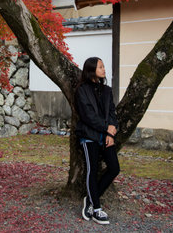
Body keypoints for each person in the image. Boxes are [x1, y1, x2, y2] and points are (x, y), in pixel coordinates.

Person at [75, 57, 120, 225]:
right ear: (91, 70)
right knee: (92, 170)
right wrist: (105, 128)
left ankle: (91, 199)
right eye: (100, 67)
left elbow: (112, 114)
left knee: (114, 168)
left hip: (105, 135)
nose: (103, 69)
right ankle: (97, 209)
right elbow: (87, 116)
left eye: (103, 66)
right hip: (89, 135)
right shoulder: (82, 90)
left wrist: (111, 132)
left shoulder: (107, 90)